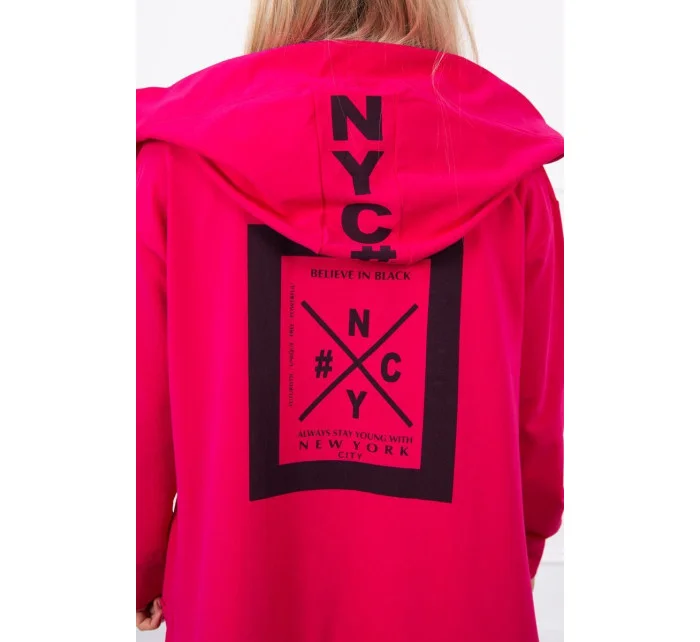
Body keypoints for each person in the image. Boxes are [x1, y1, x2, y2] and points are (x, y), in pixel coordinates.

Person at [136, 1, 564, 640]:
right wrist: (516, 552)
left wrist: (139, 566)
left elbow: (139, 413)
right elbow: (537, 424)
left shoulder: (176, 171)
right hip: (455, 601)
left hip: (241, 599)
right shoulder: (514, 187)